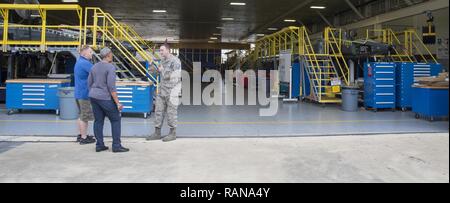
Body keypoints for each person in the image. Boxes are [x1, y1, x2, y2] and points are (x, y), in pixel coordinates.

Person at [88, 47, 129, 153]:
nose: (112, 55)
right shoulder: (110, 67)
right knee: (115, 119)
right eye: (111, 53)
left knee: (98, 121)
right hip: (105, 97)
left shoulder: (94, 67)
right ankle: (116, 146)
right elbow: (111, 87)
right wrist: (117, 103)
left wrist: (95, 93)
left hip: (94, 97)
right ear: (108, 55)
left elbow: (89, 83)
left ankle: (99, 145)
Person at [146, 43, 182, 142]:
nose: (160, 52)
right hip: (162, 91)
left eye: (162, 50)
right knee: (158, 111)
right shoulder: (162, 61)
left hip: (172, 92)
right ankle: (157, 133)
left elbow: (175, 76)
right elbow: (156, 73)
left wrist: (163, 70)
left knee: (171, 113)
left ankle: (172, 133)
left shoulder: (175, 61)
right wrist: (152, 66)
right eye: (160, 50)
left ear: (168, 50)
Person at [74, 45, 96, 145]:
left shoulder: (79, 61)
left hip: (79, 93)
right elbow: (97, 72)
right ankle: (84, 138)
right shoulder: (85, 63)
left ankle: (81, 134)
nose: (92, 54)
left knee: (81, 115)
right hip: (84, 94)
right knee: (85, 117)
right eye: (90, 52)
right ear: (84, 53)